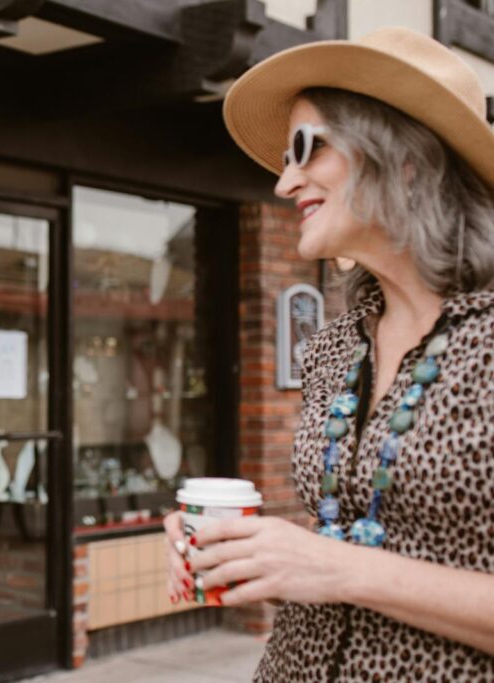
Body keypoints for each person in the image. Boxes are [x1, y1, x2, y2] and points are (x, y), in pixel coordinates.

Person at [165, 27, 494, 681]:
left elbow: (348, 564)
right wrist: (256, 555)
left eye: (305, 149)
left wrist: (335, 566)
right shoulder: (336, 347)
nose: (285, 181)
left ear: (404, 158)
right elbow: (354, 535)